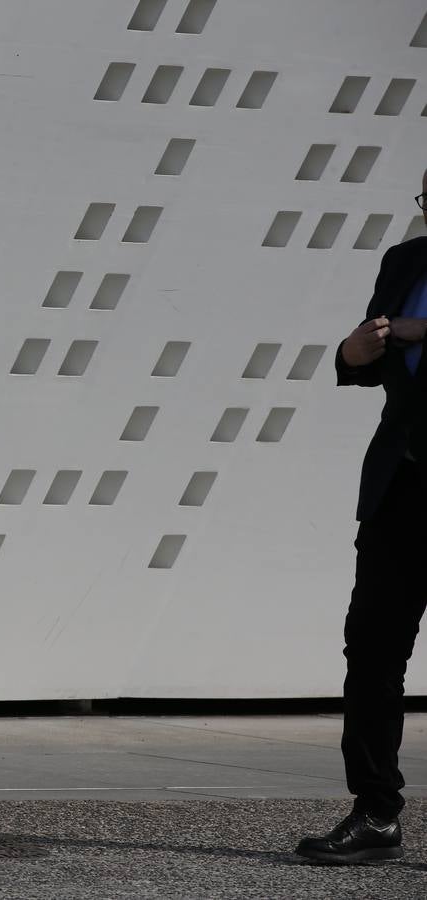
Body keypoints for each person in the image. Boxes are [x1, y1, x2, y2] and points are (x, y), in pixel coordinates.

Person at [297, 170, 427, 864]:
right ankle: (376, 811)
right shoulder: (406, 261)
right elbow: (368, 361)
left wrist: (420, 328)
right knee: (372, 651)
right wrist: (353, 352)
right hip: (400, 486)